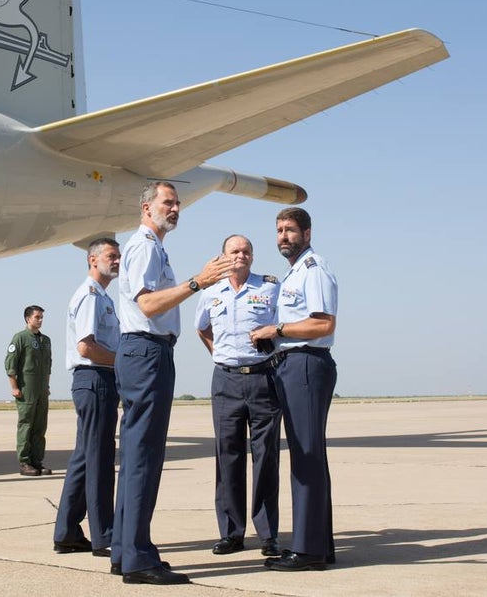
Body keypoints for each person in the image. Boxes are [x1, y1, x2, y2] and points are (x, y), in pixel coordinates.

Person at [111, 181, 232, 585]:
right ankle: (139, 559)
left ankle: (126, 551)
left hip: (144, 352)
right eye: (168, 202)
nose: (176, 208)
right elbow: (147, 303)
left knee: (135, 456)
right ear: (146, 208)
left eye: (178, 202)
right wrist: (198, 282)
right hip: (146, 352)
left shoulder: (151, 246)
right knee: (144, 457)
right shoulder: (144, 246)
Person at [250, 207, 338, 571]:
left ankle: (309, 550)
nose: (283, 236)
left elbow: (322, 324)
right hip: (291, 364)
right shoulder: (294, 273)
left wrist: (278, 331)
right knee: (308, 457)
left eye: (290, 230)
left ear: (308, 232)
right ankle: (316, 544)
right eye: (279, 230)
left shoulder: (314, 270)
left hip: (305, 364)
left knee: (305, 457)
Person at [195, 235, 282, 558]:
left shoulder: (270, 287)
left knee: (266, 458)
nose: (240, 255)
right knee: (227, 457)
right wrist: (219, 353)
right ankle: (231, 533)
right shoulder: (211, 291)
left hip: (263, 378)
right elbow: (202, 328)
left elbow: (283, 325)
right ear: (224, 256)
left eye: (246, 251)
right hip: (226, 381)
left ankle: (268, 534)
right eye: (235, 251)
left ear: (253, 256)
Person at [53, 238, 122, 557]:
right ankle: (103, 535)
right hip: (94, 379)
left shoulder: (102, 296)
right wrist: (123, 362)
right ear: (93, 260)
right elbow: (87, 347)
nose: (118, 261)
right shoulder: (91, 296)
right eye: (111, 256)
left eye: (119, 256)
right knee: (99, 460)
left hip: (97, 380)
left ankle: (67, 531)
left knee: (84, 457)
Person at [5, 305, 53, 476]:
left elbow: (48, 366)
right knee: (26, 425)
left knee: (40, 427)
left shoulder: (45, 340)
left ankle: (37, 461)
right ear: (28, 319)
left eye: (41, 317)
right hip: (27, 389)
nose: (40, 320)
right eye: (37, 317)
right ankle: (25, 462)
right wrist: (15, 388)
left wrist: (46, 387)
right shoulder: (20, 338)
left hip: (41, 390)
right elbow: (10, 366)